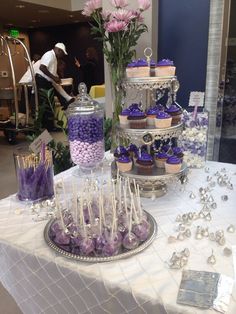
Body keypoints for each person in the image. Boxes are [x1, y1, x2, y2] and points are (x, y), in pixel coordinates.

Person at [35, 43, 75, 130]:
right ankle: (47, 126)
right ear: (58, 50)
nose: (62, 56)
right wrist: (54, 77)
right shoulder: (49, 55)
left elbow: (52, 71)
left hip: (46, 81)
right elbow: (42, 68)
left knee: (49, 103)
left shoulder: (54, 57)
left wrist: (57, 78)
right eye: (62, 53)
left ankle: (49, 126)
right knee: (47, 104)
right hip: (42, 81)